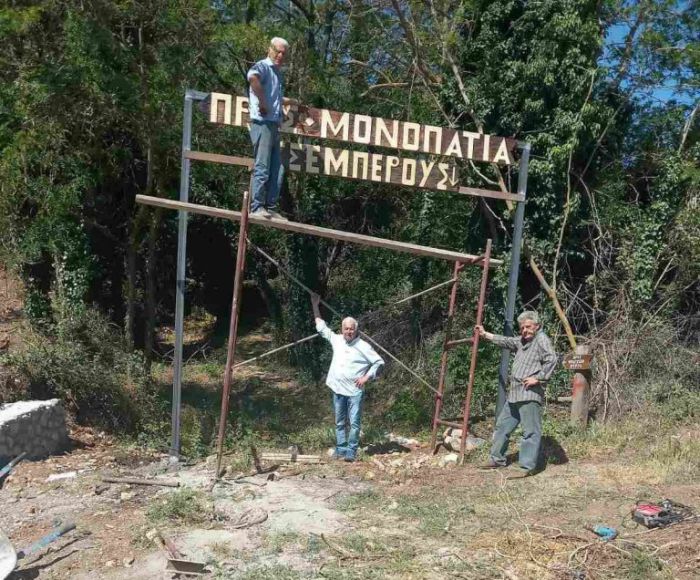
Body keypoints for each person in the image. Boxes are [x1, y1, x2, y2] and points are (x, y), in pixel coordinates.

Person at [475, 311, 557, 477]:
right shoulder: (521, 341)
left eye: (528, 326)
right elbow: (506, 341)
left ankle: (526, 467)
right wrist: (485, 334)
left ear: (537, 326)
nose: (525, 330)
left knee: (530, 431)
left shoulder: (541, 339)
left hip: (529, 394)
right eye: (522, 327)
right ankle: (496, 459)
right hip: (514, 395)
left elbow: (552, 358)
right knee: (502, 426)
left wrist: (538, 378)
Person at [311, 294, 384, 462]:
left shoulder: (363, 346)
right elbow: (321, 327)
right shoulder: (337, 340)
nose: (348, 331)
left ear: (356, 330)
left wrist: (366, 377)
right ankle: (341, 448)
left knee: (355, 423)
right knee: (339, 422)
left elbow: (379, 362)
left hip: (354, 391)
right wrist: (315, 304)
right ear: (342, 329)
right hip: (337, 389)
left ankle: (351, 450)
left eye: (351, 329)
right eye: (346, 329)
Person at [247, 37, 303, 221]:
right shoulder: (263, 66)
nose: (280, 55)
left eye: (283, 53)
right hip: (262, 123)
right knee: (262, 166)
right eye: (277, 51)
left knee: (277, 168)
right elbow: (252, 78)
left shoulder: (277, 73)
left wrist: (292, 101)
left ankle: (270, 208)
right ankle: (256, 207)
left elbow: (275, 97)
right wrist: (262, 102)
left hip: (274, 124)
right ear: (269, 49)